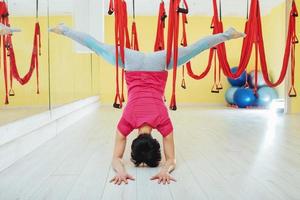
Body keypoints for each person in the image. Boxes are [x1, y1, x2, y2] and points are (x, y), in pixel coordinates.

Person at [0, 22, 244, 185]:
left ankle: (227, 34)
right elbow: (116, 158)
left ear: (154, 140)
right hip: (132, 63)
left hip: (159, 64)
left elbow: (172, 159)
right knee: (96, 46)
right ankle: (64, 29)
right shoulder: (125, 123)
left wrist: (165, 169)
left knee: (193, 49)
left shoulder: (163, 123)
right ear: (133, 142)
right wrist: (120, 170)